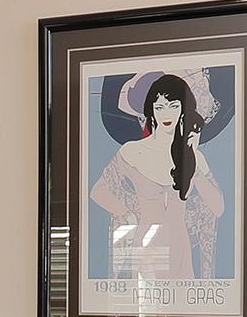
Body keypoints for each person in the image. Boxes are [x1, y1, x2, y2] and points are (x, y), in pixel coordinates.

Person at [88, 71, 227, 284]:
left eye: (174, 106)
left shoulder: (195, 157)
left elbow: (218, 208)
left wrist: (192, 159)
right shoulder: (132, 151)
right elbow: (98, 191)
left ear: (184, 110)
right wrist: (126, 214)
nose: (166, 114)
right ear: (151, 111)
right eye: (159, 107)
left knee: (183, 315)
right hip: (145, 247)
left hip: (180, 250)